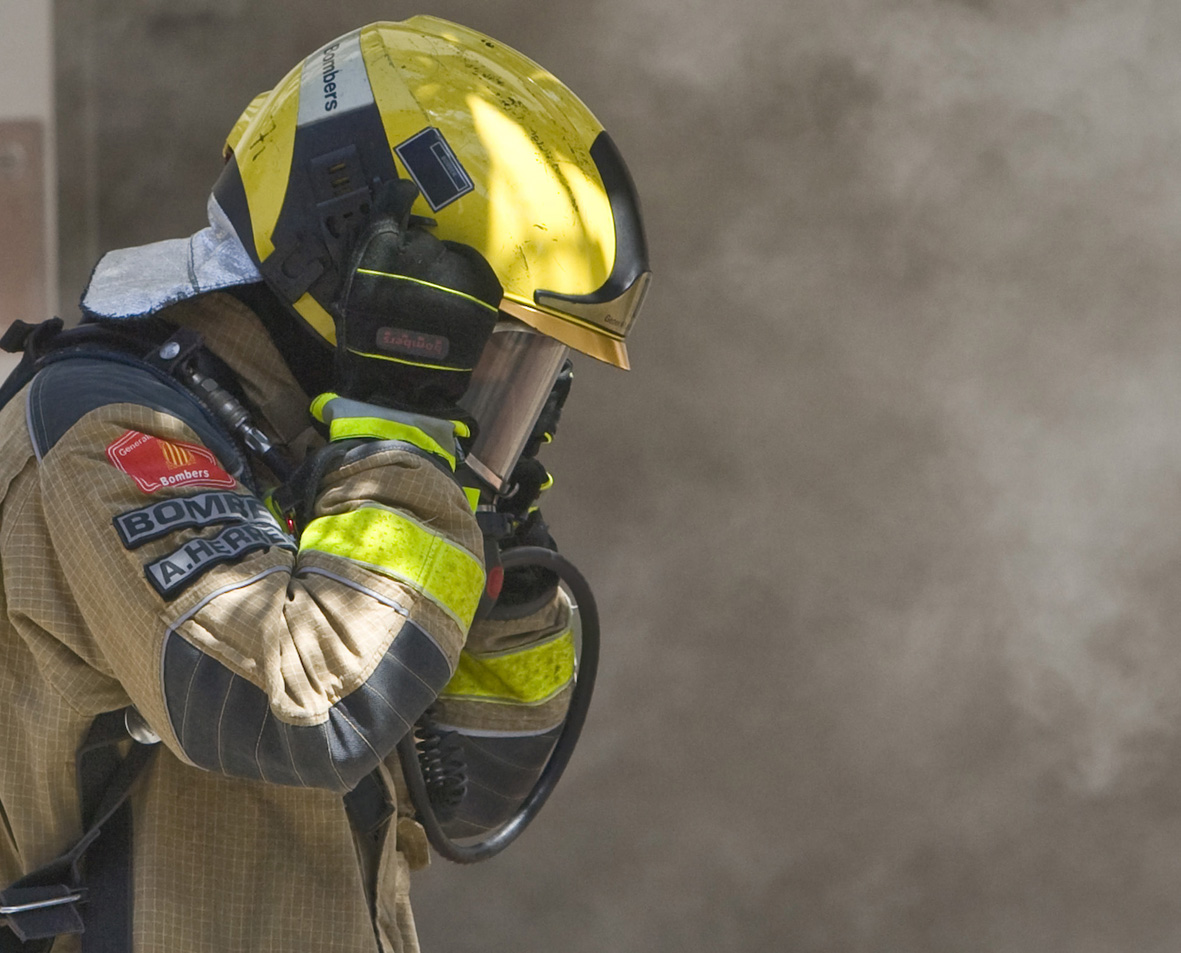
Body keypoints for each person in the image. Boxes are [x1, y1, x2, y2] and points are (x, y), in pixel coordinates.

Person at [0, 16, 649, 953]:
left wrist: (502, 557)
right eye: (491, 353)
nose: (489, 403)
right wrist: (402, 441)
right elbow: (310, 710)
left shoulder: (321, 466)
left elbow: (478, 785)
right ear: (347, 265)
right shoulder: (113, 436)